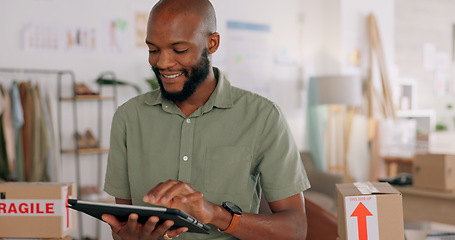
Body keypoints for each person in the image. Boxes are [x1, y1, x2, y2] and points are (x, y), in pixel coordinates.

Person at [102, 0, 311, 239]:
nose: (162, 62)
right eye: (153, 49)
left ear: (212, 43)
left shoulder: (263, 117)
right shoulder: (128, 118)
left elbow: (295, 230)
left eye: (179, 50)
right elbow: (123, 227)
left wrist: (215, 214)